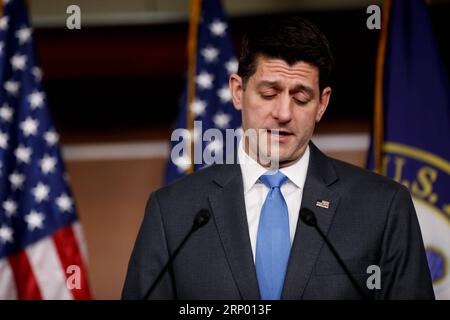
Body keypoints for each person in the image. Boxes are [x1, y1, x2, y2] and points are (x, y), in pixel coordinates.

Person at [122, 17, 434, 300]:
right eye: (269, 93)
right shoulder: (172, 213)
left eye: (301, 98)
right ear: (238, 91)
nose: (283, 113)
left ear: (322, 104)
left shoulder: (382, 206)